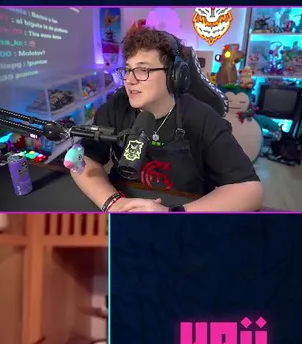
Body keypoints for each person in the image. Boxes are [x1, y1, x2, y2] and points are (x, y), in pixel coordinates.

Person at [73, 26, 263, 212]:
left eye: (142, 70)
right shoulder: (117, 106)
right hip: (124, 207)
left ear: (174, 75)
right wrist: (113, 203)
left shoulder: (201, 117)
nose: (129, 80)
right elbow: (83, 160)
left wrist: (172, 213)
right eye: (128, 70)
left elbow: (250, 190)